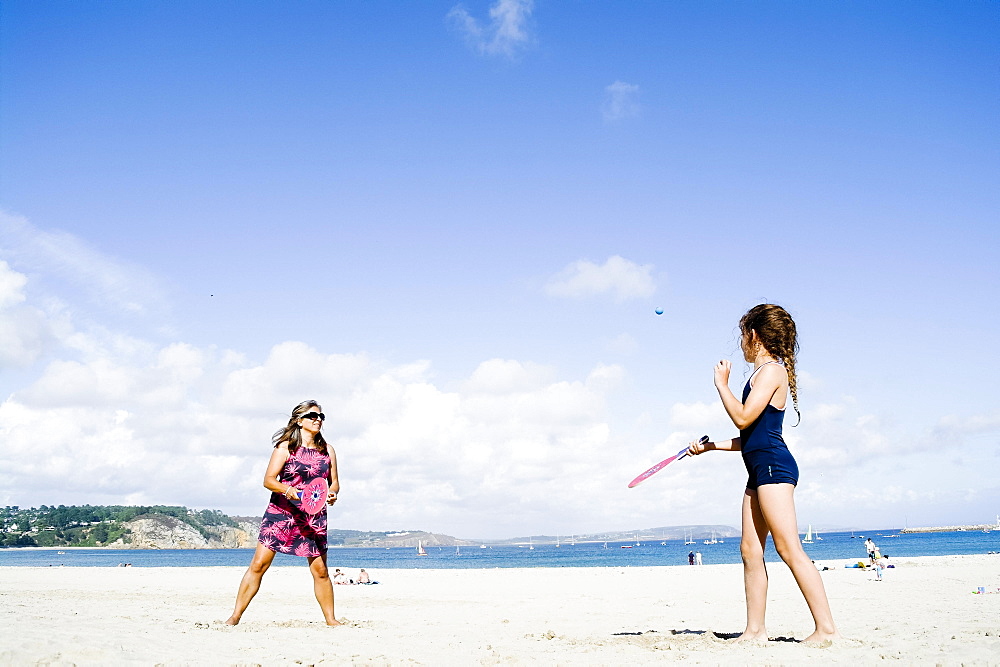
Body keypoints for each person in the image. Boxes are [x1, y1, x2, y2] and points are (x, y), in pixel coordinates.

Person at [687, 304, 840, 643]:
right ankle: (755, 630)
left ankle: (827, 629)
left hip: (773, 466)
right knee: (750, 550)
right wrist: (711, 447)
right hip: (758, 468)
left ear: (753, 335)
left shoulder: (772, 371)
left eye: (742, 335)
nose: (740, 342)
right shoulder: (760, 376)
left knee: (789, 549)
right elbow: (750, 436)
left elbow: (742, 417)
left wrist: (720, 384)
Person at [226, 400, 341, 626]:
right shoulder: (285, 447)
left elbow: (334, 482)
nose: (318, 419)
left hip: (313, 517)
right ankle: (235, 616)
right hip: (281, 513)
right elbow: (268, 480)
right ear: (299, 421)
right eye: (312, 416)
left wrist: (332, 494)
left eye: (321, 416)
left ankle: (331, 620)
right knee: (259, 565)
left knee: (320, 571)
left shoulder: (327, 450)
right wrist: (290, 491)